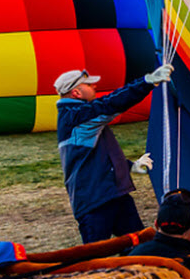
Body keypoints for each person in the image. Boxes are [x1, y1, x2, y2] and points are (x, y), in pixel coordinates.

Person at [55, 65, 172, 243]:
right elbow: (111, 104)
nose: (94, 87)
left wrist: (131, 166)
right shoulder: (76, 117)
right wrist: (147, 82)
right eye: (89, 85)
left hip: (114, 195)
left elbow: (97, 155)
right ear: (76, 93)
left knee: (139, 246)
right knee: (95, 259)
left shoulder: (80, 116)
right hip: (94, 201)